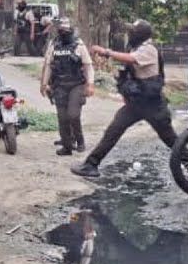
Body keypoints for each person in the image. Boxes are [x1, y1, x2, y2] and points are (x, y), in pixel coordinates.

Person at [70, 20, 176, 178]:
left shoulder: (149, 49)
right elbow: (128, 74)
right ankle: (91, 164)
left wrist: (106, 52)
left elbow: (131, 59)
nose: (130, 33)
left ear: (141, 34)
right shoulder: (135, 47)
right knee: (114, 130)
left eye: (133, 30)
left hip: (153, 104)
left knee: (170, 139)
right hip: (136, 103)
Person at [40, 18, 94, 156]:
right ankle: (67, 147)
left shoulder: (78, 45)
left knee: (73, 115)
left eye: (65, 30)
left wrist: (90, 84)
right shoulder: (54, 45)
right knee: (62, 118)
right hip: (59, 85)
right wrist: (44, 84)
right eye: (61, 30)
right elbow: (48, 66)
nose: (63, 32)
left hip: (77, 85)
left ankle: (80, 141)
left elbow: (88, 66)